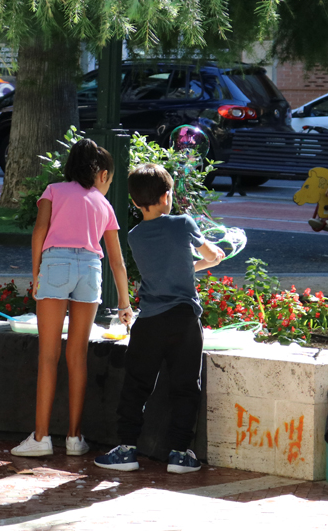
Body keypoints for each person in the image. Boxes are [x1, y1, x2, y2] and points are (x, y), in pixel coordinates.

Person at [94, 164, 224, 474]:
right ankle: (179, 453)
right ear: (167, 197)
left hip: (149, 321)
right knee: (185, 387)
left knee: (136, 385)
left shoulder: (136, 236)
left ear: (136, 202)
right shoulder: (183, 224)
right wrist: (213, 258)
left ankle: (126, 449)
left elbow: (166, 265)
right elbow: (210, 256)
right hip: (183, 320)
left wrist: (188, 265)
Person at [10, 139, 134, 458]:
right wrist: (124, 303)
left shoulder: (54, 190)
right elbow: (117, 261)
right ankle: (75, 438)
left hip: (56, 263)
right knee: (77, 356)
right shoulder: (103, 205)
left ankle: (41, 438)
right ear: (101, 174)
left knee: (48, 355)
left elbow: (40, 231)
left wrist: (37, 272)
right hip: (92, 269)